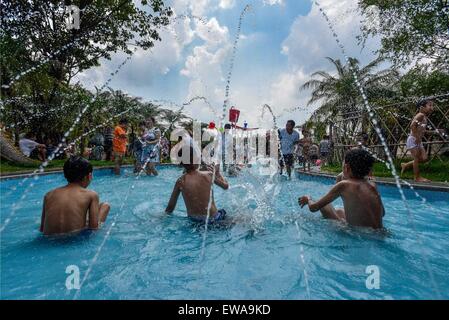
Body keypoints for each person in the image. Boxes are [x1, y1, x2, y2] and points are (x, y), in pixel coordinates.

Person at [299, 149, 384, 230]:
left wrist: (308, 199)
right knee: (340, 211)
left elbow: (314, 208)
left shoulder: (344, 185)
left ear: (347, 167)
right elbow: (382, 213)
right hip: (381, 233)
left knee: (325, 205)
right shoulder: (372, 184)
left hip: (360, 235)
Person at [40, 156, 110, 235]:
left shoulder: (48, 195)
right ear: (89, 176)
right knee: (105, 206)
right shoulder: (91, 195)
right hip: (74, 238)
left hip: (49, 239)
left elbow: (42, 229)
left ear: (65, 175)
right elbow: (93, 228)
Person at [165, 146, 229, 223]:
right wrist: (218, 174)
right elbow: (225, 186)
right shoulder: (209, 175)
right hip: (214, 219)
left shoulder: (180, 181)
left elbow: (170, 208)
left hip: (195, 222)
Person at [400, 99, 435, 182]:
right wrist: (417, 138)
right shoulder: (420, 115)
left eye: (432, 106)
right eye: (429, 105)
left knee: (424, 158)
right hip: (413, 139)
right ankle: (417, 177)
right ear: (422, 107)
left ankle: (405, 165)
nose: (432, 108)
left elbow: (422, 130)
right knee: (416, 158)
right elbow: (412, 126)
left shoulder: (423, 116)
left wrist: (435, 132)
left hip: (418, 140)